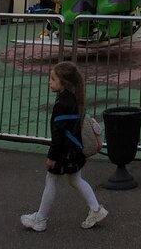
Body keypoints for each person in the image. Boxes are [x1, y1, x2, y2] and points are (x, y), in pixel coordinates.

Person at [20, 61, 108, 232]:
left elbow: (58, 133)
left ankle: (40, 219)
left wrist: (52, 156)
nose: (49, 82)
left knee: (51, 180)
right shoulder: (72, 98)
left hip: (64, 152)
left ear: (63, 83)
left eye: (53, 79)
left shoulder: (62, 104)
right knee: (76, 180)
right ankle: (96, 209)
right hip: (74, 150)